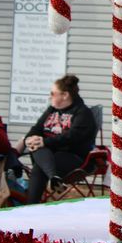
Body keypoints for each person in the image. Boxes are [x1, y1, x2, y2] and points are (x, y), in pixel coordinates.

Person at [24, 74, 97, 203]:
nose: (50, 96)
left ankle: (30, 207)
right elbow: (37, 128)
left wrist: (44, 142)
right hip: (48, 155)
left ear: (65, 95)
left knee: (39, 165)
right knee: (39, 150)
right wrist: (30, 139)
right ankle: (53, 177)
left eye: (53, 93)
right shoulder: (52, 110)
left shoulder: (83, 113)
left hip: (73, 157)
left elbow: (72, 137)